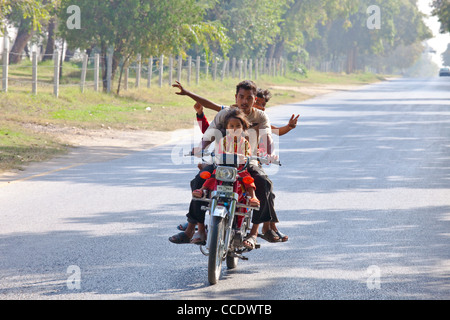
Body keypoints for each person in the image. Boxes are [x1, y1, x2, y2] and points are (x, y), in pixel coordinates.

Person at [169, 80, 278, 250]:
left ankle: (254, 232)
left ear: (254, 99)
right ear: (236, 97)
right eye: (241, 97)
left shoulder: (260, 117)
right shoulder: (224, 114)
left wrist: (269, 153)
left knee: (263, 183)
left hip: (247, 162)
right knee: (198, 181)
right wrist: (200, 148)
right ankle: (195, 229)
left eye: (249, 98)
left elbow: (267, 137)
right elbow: (209, 135)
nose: (244, 101)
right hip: (221, 161)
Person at [190, 109, 259, 245]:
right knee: (212, 175)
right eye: (231, 126)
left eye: (238, 126)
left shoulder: (245, 142)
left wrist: (242, 157)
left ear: (243, 128)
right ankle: (202, 190)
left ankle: (253, 196)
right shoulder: (222, 141)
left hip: (239, 169)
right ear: (226, 128)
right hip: (223, 168)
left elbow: (246, 155)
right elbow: (220, 154)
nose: (234, 129)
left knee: (248, 179)